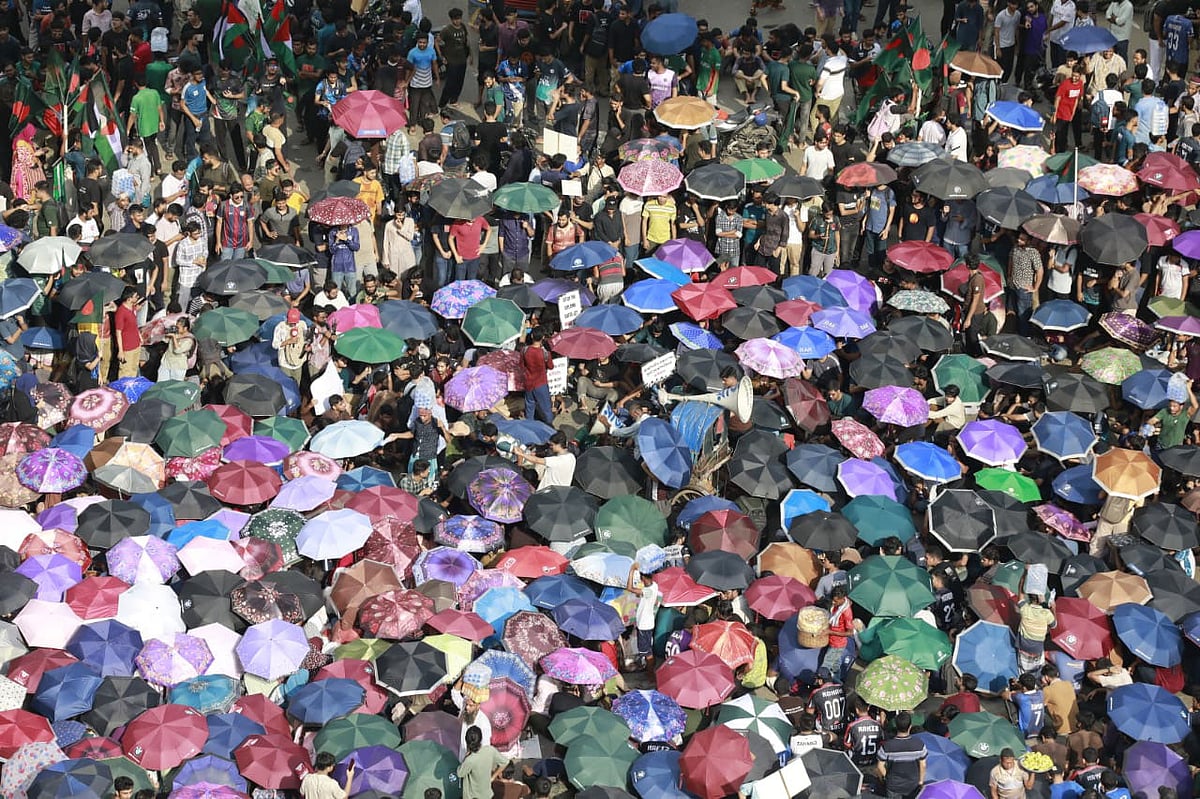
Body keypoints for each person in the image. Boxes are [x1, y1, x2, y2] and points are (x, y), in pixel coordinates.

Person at [877, 711, 926, 799]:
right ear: (910, 726)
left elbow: (880, 766)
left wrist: (886, 778)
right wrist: (921, 782)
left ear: (896, 726)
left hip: (893, 786)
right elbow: (923, 764)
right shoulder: (919, 744)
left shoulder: (888, 746)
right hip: (912, 786)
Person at [457, 726, 508, 799]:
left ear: (467, 741)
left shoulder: (470, 760)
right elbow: (505, 762)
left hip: (472, 796)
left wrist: (466, 756)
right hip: (487, 794)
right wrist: (493, 777)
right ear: (480, 739)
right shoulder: (490, 750)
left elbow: (460, 773)